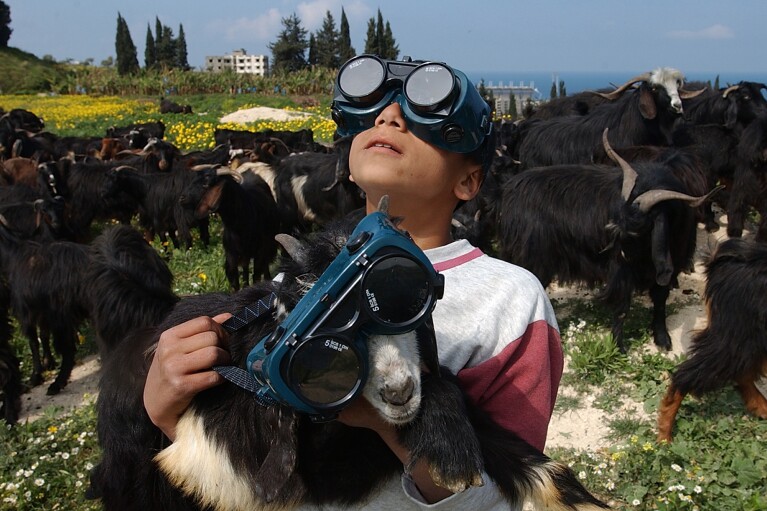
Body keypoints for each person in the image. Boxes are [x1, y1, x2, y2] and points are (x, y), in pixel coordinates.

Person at [144, 55, 563, 510]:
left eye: (422, 118)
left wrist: (384, 415)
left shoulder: (509, 300)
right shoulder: (298, 277)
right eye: (375, 112)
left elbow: (510, 499)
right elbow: (256, 474)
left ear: (468, 180)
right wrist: (167, 409)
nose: (389, 117)